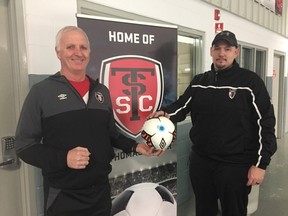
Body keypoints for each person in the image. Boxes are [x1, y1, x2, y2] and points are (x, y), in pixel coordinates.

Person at [15, 26, 161, 216]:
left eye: (83, 47)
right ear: (58, 52)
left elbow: (110, 134)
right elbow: (24, 146)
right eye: (70, 47)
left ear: (89, 53)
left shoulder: (101, 91)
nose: (78, 53)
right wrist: (64, 158)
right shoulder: (41, 92)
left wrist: (135, 146)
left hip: (100, 194)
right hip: (63, 197)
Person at [152, 30, 277, 216]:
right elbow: (181, 106)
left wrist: (260, 164)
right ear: (211, 51)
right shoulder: (200, 82)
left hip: (235, 165)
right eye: (217, 48)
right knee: (204, 210)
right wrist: (165, 113)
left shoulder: (250, 83)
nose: (222, 53)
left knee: (234, 211)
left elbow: (265, 125)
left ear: (236, 52)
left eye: (228, 48)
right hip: (201, 162)